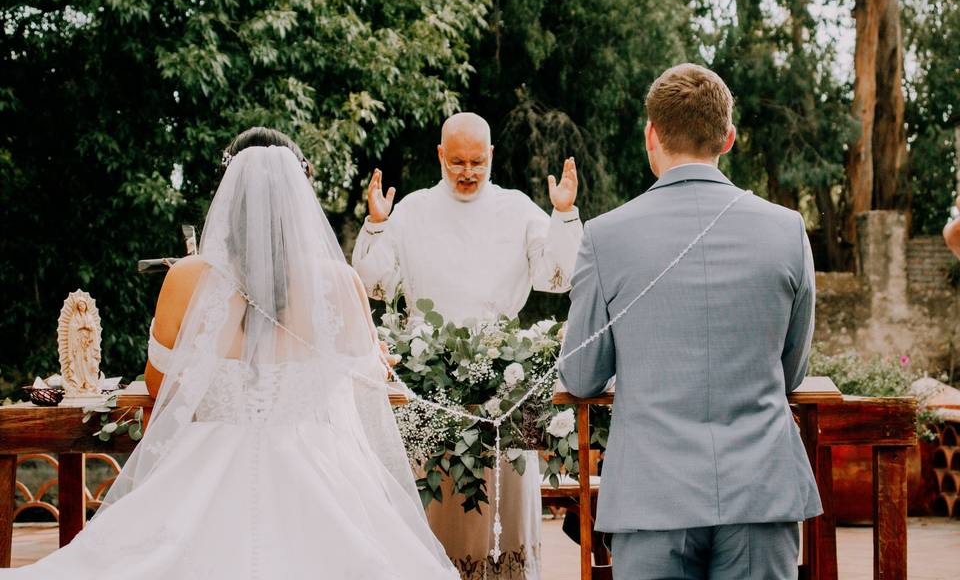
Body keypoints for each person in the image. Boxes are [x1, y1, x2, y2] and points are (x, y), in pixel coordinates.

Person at [6, 127, 457, 579]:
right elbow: (366, 390)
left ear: (229, 194)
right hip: (317, 469)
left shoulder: (185, 278)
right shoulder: (340, 283)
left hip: (206, 468)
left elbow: (163, 386)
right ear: (301, 193)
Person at [560, 64, 822, 579]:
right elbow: (791, 372)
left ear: (651, 135)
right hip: (760, 493)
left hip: (651, 497)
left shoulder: (605, 236)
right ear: (728, 138)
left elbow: (582, 374)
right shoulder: (787, 230)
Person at [352, 112, 583, 579]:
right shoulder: (412, 210)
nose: (468, 171)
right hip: (425, 385)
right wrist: (377, 224)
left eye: (477, 161)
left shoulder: (517, 208)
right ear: (440, 155)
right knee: (436, 509)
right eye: (456, 161)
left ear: (491, 156)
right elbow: (373, 284)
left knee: (500, 513)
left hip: (501, 386)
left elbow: (557, 276)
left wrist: (562, 214)